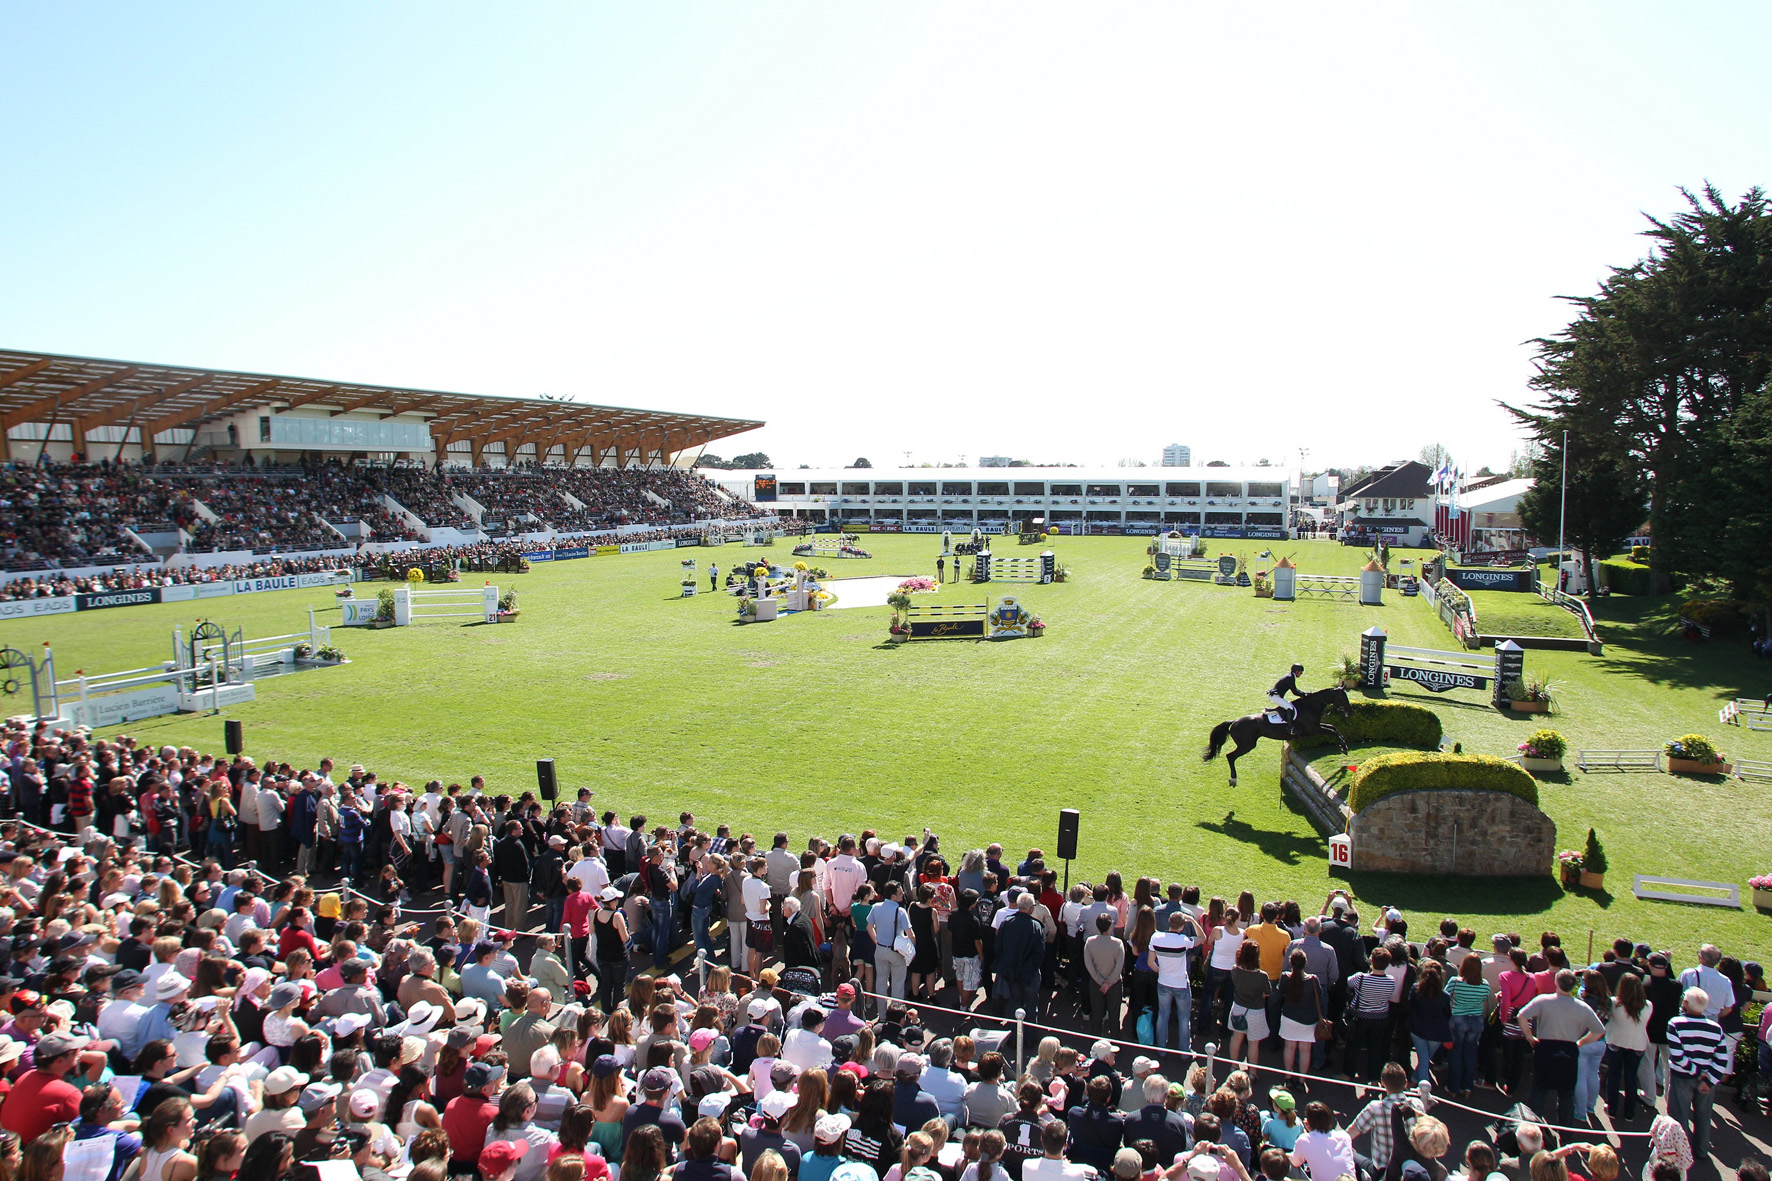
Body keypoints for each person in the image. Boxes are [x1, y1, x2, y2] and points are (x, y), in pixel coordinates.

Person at [1516, 969, 1603, 1126]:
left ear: (1556, 982)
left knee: (1539, 1091)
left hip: (1545, 1049)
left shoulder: (1543, 1000)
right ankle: (1566, 1136)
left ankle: (1532, 1131)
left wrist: (1529, 1037)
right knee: (1566, 1095)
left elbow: (1521, 1016)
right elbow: (1599, 1030)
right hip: (1569, 1050)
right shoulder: (1582, 1007)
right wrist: (1581, 1042)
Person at [1664, 986, 1730, 1162]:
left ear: (1685, 1003)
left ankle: (1681, 1152)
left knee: (1679, 1115)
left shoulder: (1675, 1023)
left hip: (1682, 1078)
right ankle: (1701, 1151)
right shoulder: (1716, 1029)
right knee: (1703, 1115)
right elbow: (1722, 1059)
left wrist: (1697, 1073)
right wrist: (1708, 1080)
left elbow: (1677, 1056)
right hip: (1707, 1080)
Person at [1267, 664, 1306, 733]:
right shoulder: (1290, 678)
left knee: (1288, 705)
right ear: (1297, 671)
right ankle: (1290, 728)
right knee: (1290, 707)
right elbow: (1295, 692)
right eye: (1301, 671)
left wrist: (1304, 693)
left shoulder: (1290, 676)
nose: (1301, 673)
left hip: (1276, 696)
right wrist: (1305, 694)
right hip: (1275, 696)